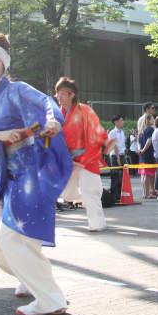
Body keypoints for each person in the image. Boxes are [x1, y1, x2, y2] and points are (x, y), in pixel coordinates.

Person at [0, 34, 73, 315]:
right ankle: (29, 278)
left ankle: (50, 297)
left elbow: (47, 104)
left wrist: (52, 120)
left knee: (13, 238)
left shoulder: (17, 90)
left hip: (29, 173)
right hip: (8, 178)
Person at [56, 77, 110, 232]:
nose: (59, 97)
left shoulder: (85, 110)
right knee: (66, 192)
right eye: (57, 94)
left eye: (63, 94)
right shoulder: (58, 114)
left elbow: (96, 134)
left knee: (90, 191)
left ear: (71, 94)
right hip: (68, 161)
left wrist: (85, 159)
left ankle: (97, 223)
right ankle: (87, 201)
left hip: (87, 159)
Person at [137, 114, 156, 199]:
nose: (154, 120)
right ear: (148, 120)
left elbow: (138, 143)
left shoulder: (141, 130)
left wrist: (140, 150)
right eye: (152, 119)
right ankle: (147, 194)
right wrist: (144, 150)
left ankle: (145, 193)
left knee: (143, 174)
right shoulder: (150, 129)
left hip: (142, 155)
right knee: (148, 174)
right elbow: (149, 141)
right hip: (148, 154)